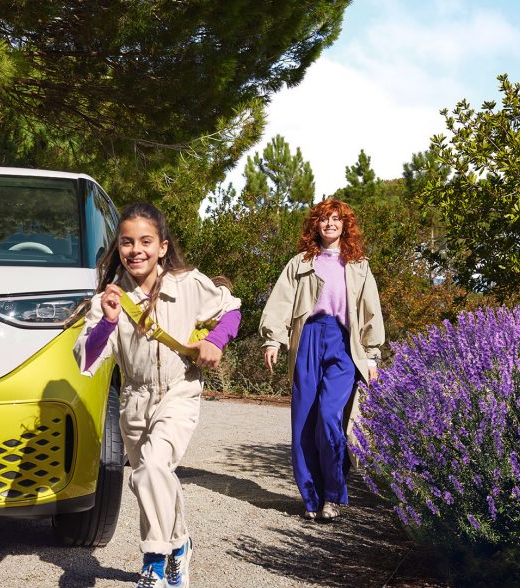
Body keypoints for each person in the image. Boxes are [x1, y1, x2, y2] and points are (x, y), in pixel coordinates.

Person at [74, 202, 241, 588]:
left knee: (151, 467)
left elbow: (231, 308)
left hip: (180, 391)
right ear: (119, 247)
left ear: (162, 247)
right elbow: (86, 357)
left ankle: (155, 560)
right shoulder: (110, 300)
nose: (137, 250)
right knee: (156, 476)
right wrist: (109, 322)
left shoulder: (188, 284)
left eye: (146, 241)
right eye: (128, 242)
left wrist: (216, 340)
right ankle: (181, 543)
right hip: (134, 401)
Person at [258, 198, 384, 521]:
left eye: (336, 220)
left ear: (345, 226)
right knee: (303, 421)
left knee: (330, 416)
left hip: (343, 344)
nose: (330, 224)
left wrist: (371, 357)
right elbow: (280, 303)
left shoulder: (358, 266)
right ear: (316, 225)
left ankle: (334, 493)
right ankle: (312, 500)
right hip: (308, 341)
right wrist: (273, 339)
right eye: (324, 219)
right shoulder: (300, 263)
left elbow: (371, 313)